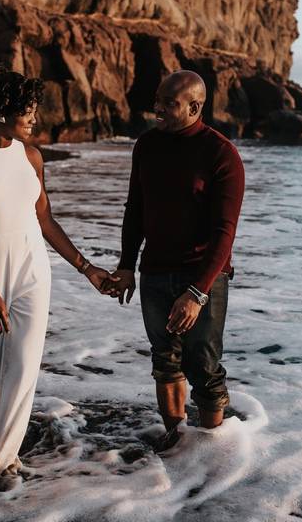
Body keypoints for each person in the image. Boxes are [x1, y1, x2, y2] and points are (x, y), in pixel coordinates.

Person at [0, 70, 116, 491]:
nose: (35, 119)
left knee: (22, 372)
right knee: (0, 379)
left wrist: (86, 267)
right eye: (29, 111)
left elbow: (44, 218)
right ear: (4, 110)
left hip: (32, 271)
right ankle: (9, 456)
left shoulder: (32, 156)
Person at [105, 70, 245, 449]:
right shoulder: (147, 146)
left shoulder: (221, 154)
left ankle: (212, 452)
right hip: (154, 273)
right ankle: (176, 441)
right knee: (164, 361)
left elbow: (225, 233)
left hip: (203, 277)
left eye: (169, 103)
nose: (157, 110)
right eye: (158, 101)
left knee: (203, 368)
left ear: (195, 107)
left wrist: (197, 293)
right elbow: (135, 209)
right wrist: (126, 265)